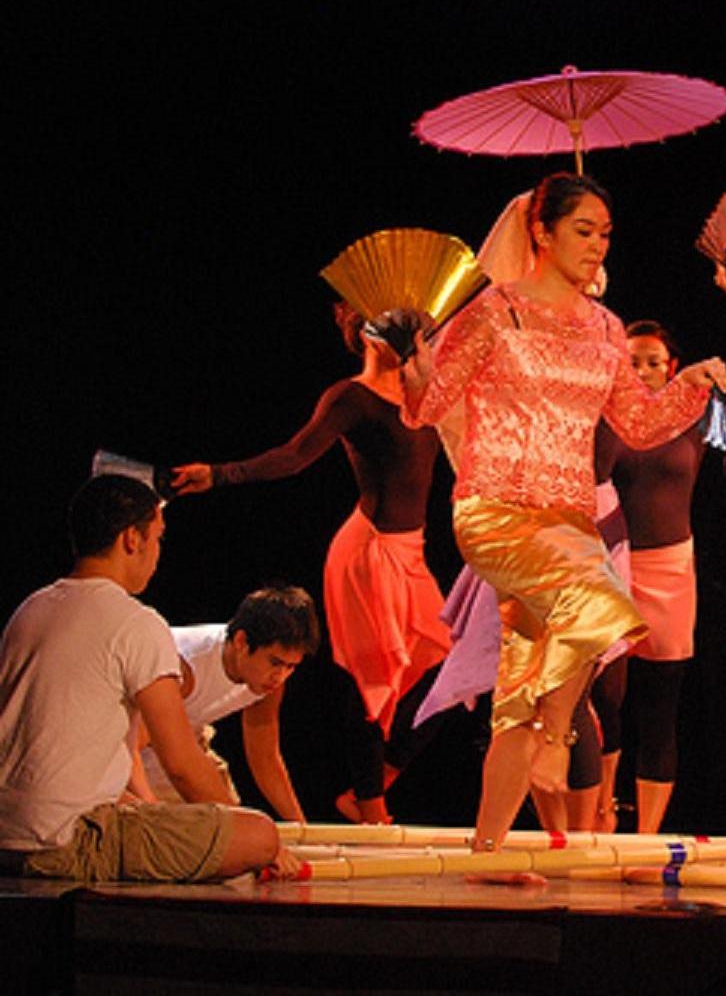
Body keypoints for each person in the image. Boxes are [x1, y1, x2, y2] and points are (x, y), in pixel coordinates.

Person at [401, 172, 726, 869]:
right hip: (495, 509)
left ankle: (487, 852)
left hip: (570, 519)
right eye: (584, 230)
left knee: (517, 693)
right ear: (542, 233)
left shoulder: (608, 327)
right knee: (604, 604)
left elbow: (638, 425)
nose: (597, 244)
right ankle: (557, 739)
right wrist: (417, 370)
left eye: (605, 233)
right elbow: (429, 412)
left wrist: (689, 385)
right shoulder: (494, 313)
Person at [172, 302, 452, 824]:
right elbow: (295, 454)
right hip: (368, 554)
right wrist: (220, 474)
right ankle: (373, 808)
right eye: (400, 329)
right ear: (371, 337)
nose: (414, 337)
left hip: (410, 553)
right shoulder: (353, 397)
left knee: (451, 675)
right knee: (368, 681)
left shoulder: (428, 399)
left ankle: (372, 785)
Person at [0, 475, 288, 882]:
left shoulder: (30, 610)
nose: (157, 553)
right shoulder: (137, 623)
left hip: (7, 831)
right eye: (157, 539)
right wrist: (260, 841)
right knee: (258, 834)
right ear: (131, 539)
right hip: (64, 841)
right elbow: (183, 764)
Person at [593, 266, 726, 834]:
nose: (642, 370)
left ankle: (644, 839)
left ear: (672, 367)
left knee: (660, 710)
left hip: (672, 572)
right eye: (632, 360)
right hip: (611, 570)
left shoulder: (691, 417)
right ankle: (596, 819)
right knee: (605, 701)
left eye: (652, 361)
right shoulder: (606, 419)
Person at [129, 585, 321, 824]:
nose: (281, 676)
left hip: (186, 738)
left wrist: (301, 827)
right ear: (241, 641)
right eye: (275, 662)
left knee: (232, 829)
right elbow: (129, 747)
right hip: (122, 739)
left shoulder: (269, 680)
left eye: (291, 667)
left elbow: (265, 757)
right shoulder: (183, 668)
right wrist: (149, 810)